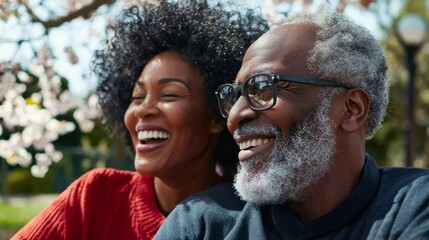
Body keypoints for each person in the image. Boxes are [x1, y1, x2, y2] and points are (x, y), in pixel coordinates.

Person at [154, 10, 429, 239]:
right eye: (234, 95)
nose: (236, 115)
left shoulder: (414, 207)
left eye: (262, 87)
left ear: (351, 109)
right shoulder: (201, 225)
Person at [12, 0, 268, 239]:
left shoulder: (252, 220)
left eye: (169, 94)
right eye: (137, 96)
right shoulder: (94, 196)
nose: (143, 110)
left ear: (217, 114)